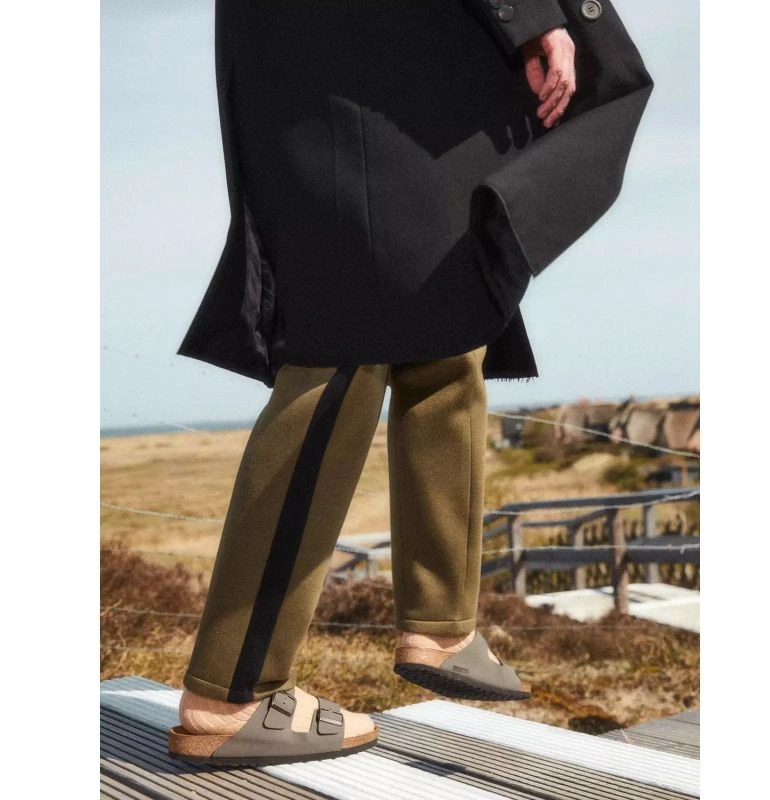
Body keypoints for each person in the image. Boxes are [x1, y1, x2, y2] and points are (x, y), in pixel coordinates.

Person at [168, 0, 580, 767]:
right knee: (346, 339)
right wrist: (530, 14)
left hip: (376, 45)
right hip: (358, 38)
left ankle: (441, 622)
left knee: (444, 297)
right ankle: (232, 692)